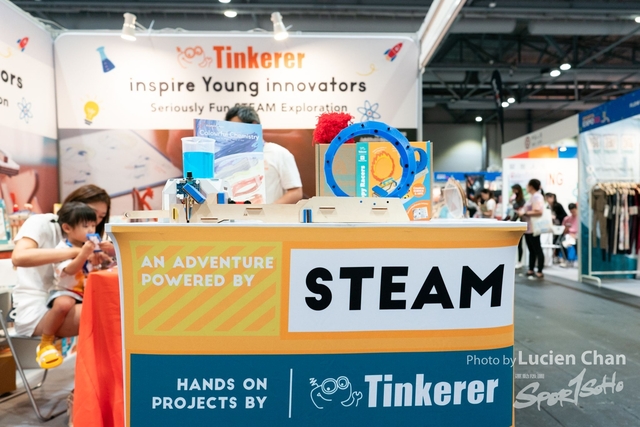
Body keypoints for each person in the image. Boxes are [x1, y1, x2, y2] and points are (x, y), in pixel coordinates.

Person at [11, 185, 112, 338]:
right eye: (90, 212)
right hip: (39, 309)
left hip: (73, 300)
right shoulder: (43, 222)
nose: (94, 222)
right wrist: (77, 252)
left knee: (115, 305)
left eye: (100, 217)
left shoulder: (87, 238)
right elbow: (19, 257)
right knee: (108, 312)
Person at [36, 203, 100, 368]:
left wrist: (103, 257)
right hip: (66, 291)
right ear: (67, 228)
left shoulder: (90, 246)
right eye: (85, 226)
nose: (91, 230)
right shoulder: (63, 248)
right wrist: (84, 254)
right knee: (63, 304)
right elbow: (70, 270)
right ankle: (46, 342)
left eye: (93, 225)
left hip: (87, 291)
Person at [224, 106, 303, 204]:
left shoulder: (279, 153)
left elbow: (296, 192)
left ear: (254, 125)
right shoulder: (229, 159)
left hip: (270, 213)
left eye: (237, 128)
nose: (233, 134)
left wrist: (270, 210)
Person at [519, 179, 545, 279]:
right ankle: (531, 269)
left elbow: (538, 211)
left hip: (534, 227)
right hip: (529, 227)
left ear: (531, 186)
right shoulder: (533, 197)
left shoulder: (537, 197)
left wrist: (524, 213)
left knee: (537, 248)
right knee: (531, 249)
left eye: (527, 185)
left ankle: (539, 270)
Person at [505, 184, 526, 268]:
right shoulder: (515, 199)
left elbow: (519, 212)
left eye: (514, 189)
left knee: (519, 243)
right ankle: (515, 260)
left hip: (519, 223)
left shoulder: (521, 200)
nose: (513, 191)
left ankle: (520, 261)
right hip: (514, 222)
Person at [561, 203, 579, 267]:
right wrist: (566, 229)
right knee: (562, 242)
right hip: (568, 235)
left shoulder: (580, 218)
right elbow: (563, 231)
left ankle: (578, 260)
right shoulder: (567, 219)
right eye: (571, 211)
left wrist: (575, 235)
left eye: (574, 211)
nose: (573, 213)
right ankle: (566, 260)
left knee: (577, 242)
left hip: (577, 235)